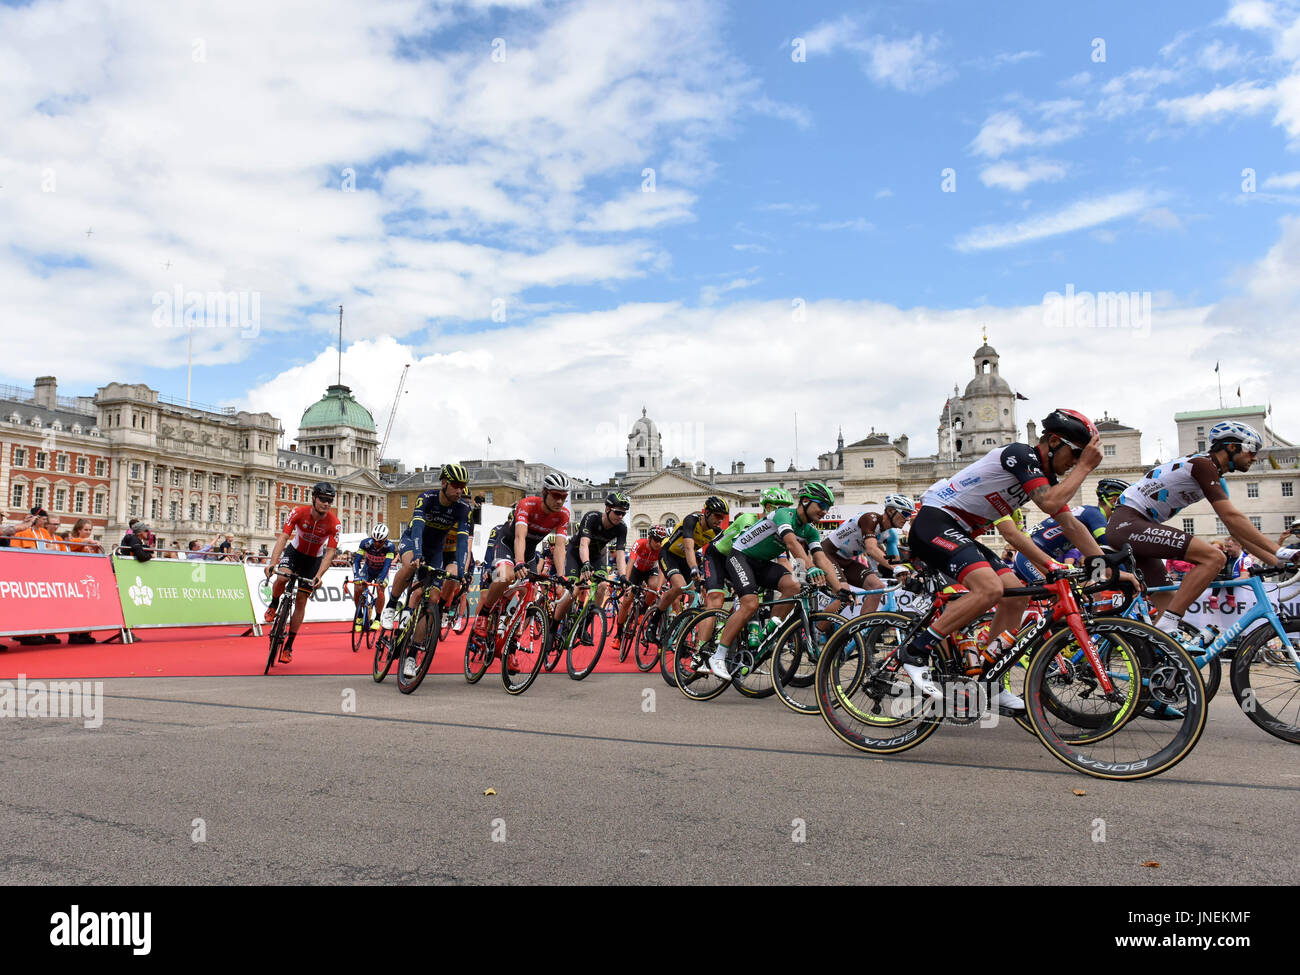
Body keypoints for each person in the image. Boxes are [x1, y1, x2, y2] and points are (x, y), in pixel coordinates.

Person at [899, 409, 1106, 712]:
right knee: (990, 589)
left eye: (1079, 458)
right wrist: (1086, 467)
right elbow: (1050, 503)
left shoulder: (1044, 478)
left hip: (962, 531)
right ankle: (916, 650)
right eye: (1074, 454)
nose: (1074, 463)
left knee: (1014, 595)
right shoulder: (1020, 455)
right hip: (935, 520)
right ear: (1052, 441)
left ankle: (989, 681)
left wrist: (1104, 566)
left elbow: (1071, 524)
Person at [1106, 419, 1298, 636]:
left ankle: (1158, 659)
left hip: (1136, 528)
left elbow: (1237, 532)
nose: (1255, 457)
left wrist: (1280, 561)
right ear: (1232, 447)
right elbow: (1232, 516)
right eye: (1252, 450)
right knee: (1214, 558)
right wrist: (1281, 551)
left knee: (1167, 607)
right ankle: (1167, 626)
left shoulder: (1215, 476)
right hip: (1128, 524)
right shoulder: (1203, 465)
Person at [700, 482, 844, 679]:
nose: (825, 511)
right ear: (805, 501)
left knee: (793, 586)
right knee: (750, 603)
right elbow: (791, 542)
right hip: (739, 556)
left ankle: (767, 634)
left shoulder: (811, 531)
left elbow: (821, 558)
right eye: (822, 505)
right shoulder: (784, 514)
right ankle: (719, 655)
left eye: (828, 508)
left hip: (760, 563)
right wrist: (809, 569)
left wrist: (839, 590)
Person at [472, 473, 572, 644]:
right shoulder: (528, 504)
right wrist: (519, 562)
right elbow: (520, 537)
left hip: (530, 551)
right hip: (508, 543)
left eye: (563, 497)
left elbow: (560, 547)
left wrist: (562, 575)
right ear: (544, 493)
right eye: (556, 496)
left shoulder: (563, 514)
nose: (560, 501)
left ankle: (510, 643)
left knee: (530, 595)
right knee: (507, 576)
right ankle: (484, 614)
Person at [262, 483, 341, 664]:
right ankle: (274, 604)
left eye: (330, 500)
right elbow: (283, 537)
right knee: (282, 576)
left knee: (301, 600)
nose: (327, 503)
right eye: (323, 499)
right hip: (295, 552)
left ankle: (289, 645)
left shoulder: (334, 524)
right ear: (314, 497)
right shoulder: (298, 513)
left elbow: (330, 552)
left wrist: (319, 575)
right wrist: (272, 564)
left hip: (313, 560)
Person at [820, 495, 915, 616]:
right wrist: (896, 568)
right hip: (827, 554)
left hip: (846, 560)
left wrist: (905, 573)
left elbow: (895, 562)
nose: (907, 519)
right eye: (906, 514)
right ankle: (818, 632)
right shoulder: (870, 519)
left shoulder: (891, 535)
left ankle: (862, 629)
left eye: (910, 515)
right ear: (891, 511)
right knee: (844, 594)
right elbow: (871, 549)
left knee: (877, 587)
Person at [652, 496, 729, 641]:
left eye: (723, 517)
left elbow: (718, 554)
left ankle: (683, 631)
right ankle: (654, 621)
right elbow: (689, 547)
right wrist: (694, 568)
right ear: (706, 512)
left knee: (696, 595)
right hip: (670, 554)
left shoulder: (716, 532)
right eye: (717, 515)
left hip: (685, 560)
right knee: (679, 586)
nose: (720, 520)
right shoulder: (692, 520)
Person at [557, 491, 630, 642]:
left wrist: (623, 576)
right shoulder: (592, 517)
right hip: (576, 554)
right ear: (608, 509)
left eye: (623, 514)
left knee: (603, 585)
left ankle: (584, 627)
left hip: (596, 556)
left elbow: (621, 554)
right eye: (618, 512)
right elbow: (584, 544)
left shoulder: (621, 528)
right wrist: (585, 564)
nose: (620, 516)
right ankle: (553, 627)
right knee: (574, 589)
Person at [352, 524, 395, 634]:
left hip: (382, 571)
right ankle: (359, 616)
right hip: (368, 569)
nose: (376, 543)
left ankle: (377, 618)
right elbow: (356, 561)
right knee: (357, 588)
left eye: (380, 541)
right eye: (374, 540)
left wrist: (380, 580)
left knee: (380, 590)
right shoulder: (365, 543)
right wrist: (356, 575)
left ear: (385, 540)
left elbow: (387, 565)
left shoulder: (390, 547)